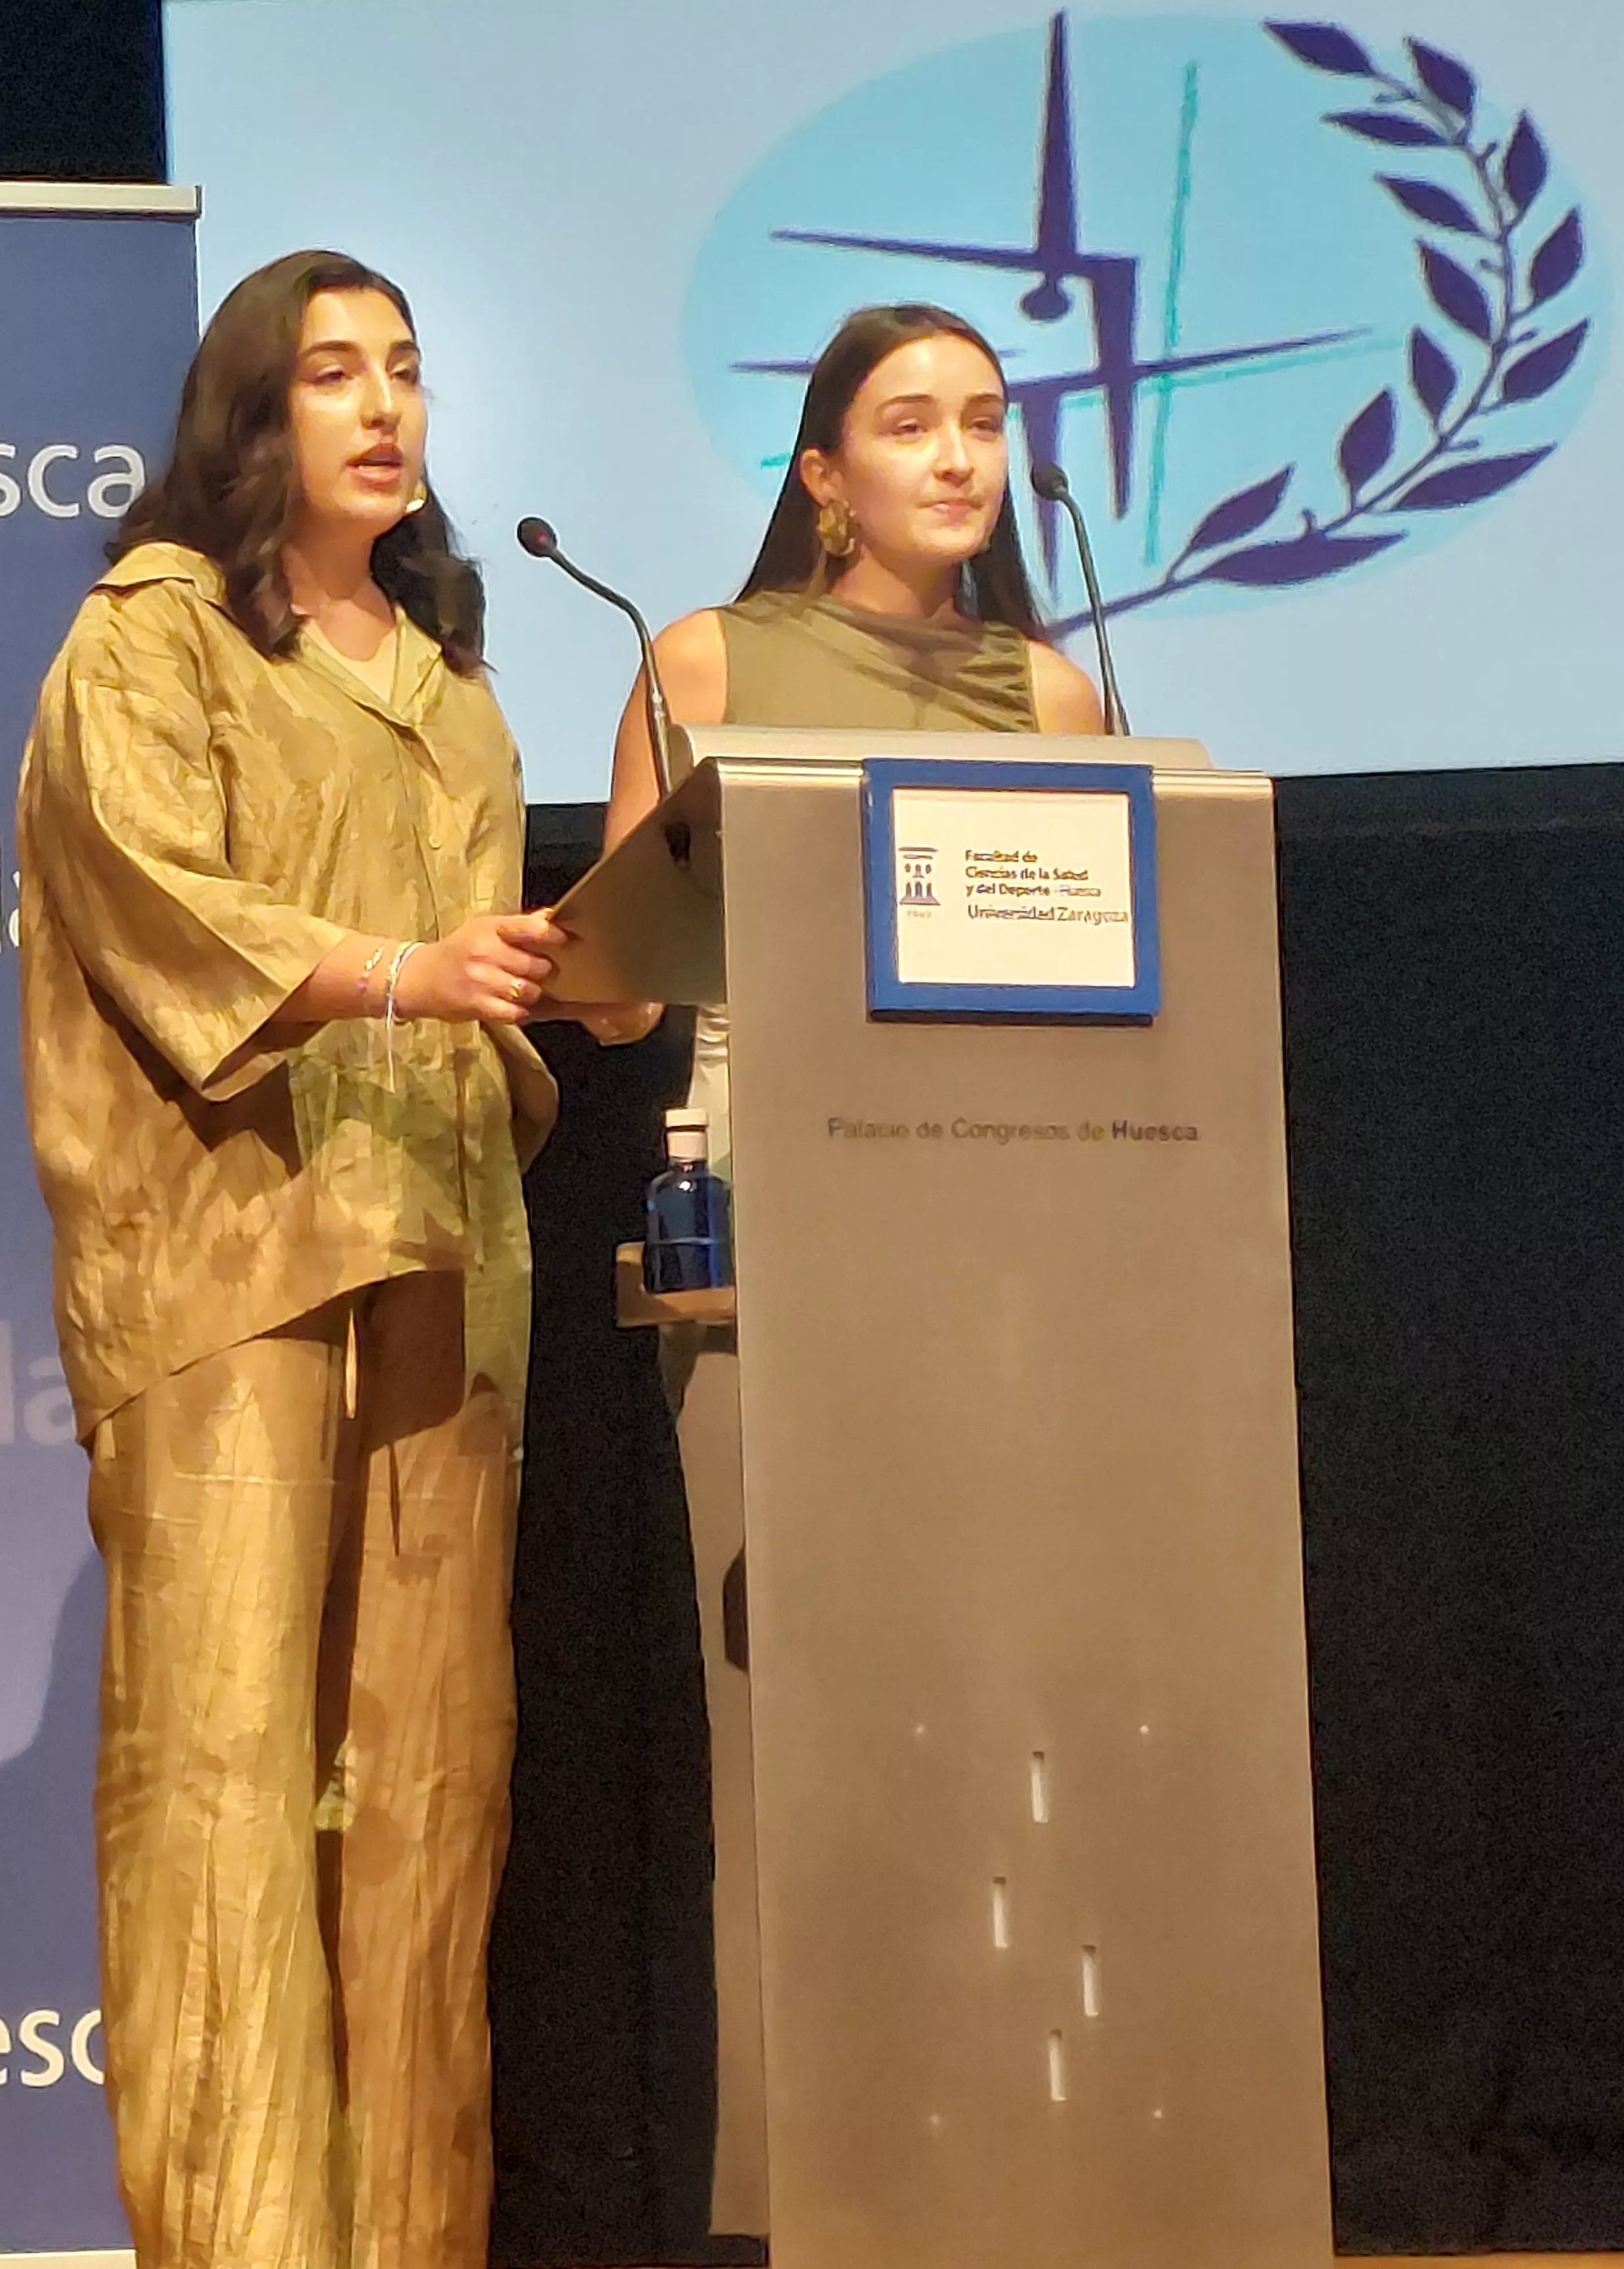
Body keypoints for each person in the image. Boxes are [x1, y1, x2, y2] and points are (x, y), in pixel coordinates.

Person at [14, 249, 593, 2269]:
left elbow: (476, 991)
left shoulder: (455, 687)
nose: (382, 407)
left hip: (446, 1245)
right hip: (235, 1259)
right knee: (231, 1781)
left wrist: (566, 987)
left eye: (407, 372)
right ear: (248, 420)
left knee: (434, 1786)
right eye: (331, 372)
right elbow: (157, 902)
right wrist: (408, 975)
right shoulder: (150, 640)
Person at [598, 301, 1105, 2238]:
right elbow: (616, 978)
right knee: (790, 1734)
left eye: (985, 421)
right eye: (912, 424)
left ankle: (1007, 2162)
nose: (960, 455)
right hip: (771, 1218)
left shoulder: (1055, 696)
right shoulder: (707, 661)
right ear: (823, 474)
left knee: (999, 1708)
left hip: (1013, 1239)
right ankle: (799, 2191)